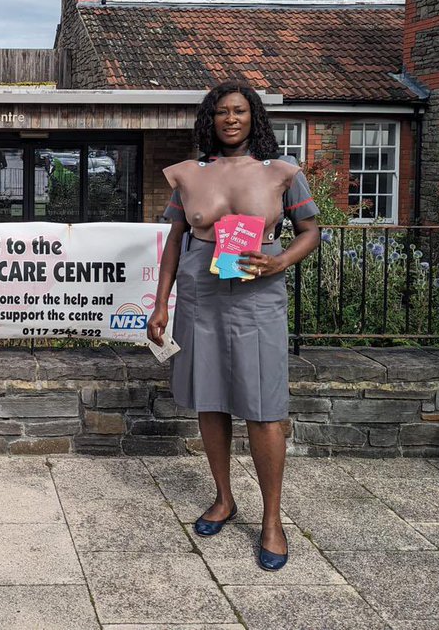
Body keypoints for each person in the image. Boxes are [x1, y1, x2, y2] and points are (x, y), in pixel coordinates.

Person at [147, 81, 320, 571]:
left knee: (264, 408)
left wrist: (280, 259)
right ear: (211, 119)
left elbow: (311, 231)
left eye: (239, 111)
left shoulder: (282, 173)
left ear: (253, 117)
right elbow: (175, 242)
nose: (230, 119)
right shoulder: (189, 175)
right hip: (200, 296)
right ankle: (224, 498)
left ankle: (271, 520)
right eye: (221, 112)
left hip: (256, 296)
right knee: (210, 397)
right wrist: (161, 305)